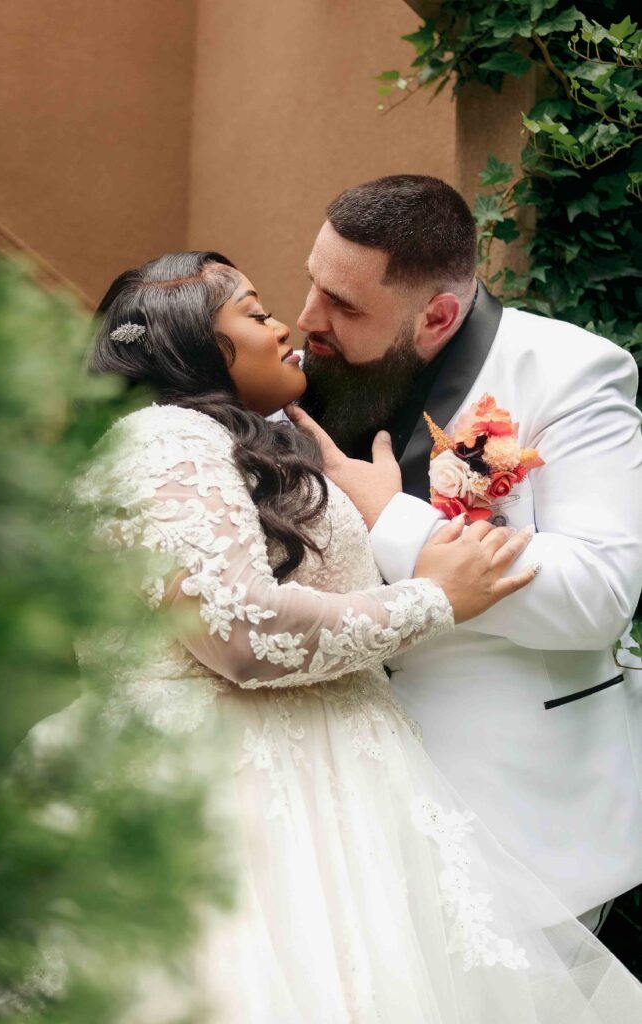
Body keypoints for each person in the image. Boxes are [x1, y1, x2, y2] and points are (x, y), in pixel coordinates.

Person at [70, 250, 642, 1021]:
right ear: (197, 345)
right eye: (256, 310)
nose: (291, 324)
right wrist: (434, 598)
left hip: (339, 791)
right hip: (241, 798)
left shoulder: (233, 439)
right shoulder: (165, 442)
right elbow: (242, 630)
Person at [288, 173, 642, 937]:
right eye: (312, 284)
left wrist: (388, 515)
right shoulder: (303, 364)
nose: (306, 319)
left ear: (438, 314)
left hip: (517, 814)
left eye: (343, 305)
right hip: (330, 800)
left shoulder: (572, 374)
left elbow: (600, 595)